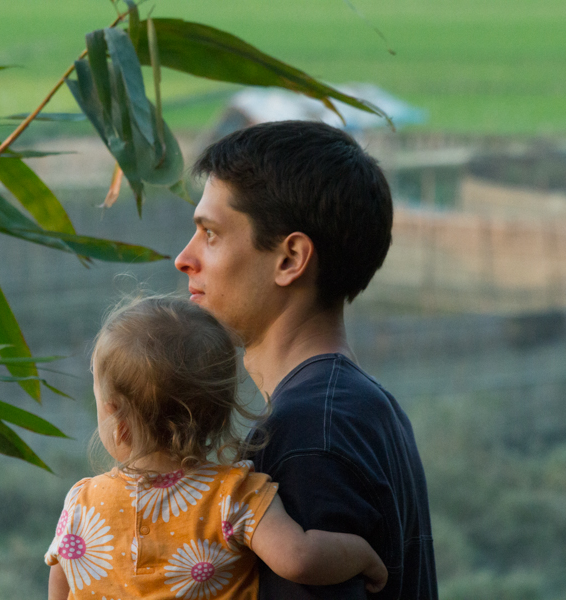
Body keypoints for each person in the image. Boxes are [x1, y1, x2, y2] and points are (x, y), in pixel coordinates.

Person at [174, 120, 438, 599]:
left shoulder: (312, 435)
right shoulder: (359, 408)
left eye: (210, 234)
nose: (184, 258)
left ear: (291, 258)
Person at [46, 297, 387, 600]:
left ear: (116, 418)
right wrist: (363, 555)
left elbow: (61, 585)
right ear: (218, 411)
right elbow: (297, 558)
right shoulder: (232, 496)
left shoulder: (82, 504)